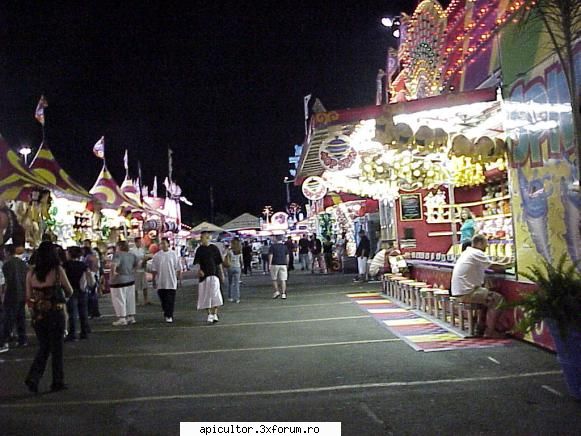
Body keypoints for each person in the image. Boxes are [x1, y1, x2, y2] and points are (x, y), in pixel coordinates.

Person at [25, 241, 74, 393]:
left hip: (39, 315)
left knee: (44, 347)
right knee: (57, 349)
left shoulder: (31, 273)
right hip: (55, 313)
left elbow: (28, 297)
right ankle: (57, 381)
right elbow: (69, 290)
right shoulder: (57, 270)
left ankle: (33, 377)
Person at [451, 234, 512, 338]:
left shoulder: (467, 252)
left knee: (486, 298)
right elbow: (494, 266)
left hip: (461, 291)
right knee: (498, 300)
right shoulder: (477, 253)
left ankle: (480, 328)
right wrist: (511, 265)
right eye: (486, 244)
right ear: (479, 243)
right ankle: (490, 332)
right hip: (468, 292)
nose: (487, 246)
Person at [194, 231, 224, 324]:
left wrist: (222, 273)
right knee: (205, 295)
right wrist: (199, 270)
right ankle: (209, 314)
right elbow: (197, 262)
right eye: (201, 237)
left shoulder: (214, 248)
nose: (201, 239)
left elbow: (219, 263)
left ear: (208, 238)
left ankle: (215, 313)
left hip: (214, 274)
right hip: (204, 276)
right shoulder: (199, 249)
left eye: (203, 237)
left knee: (215, 294)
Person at [64, 246, 93, 341]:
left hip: (70, 290)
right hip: (82, 290)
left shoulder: (65, 265)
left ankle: (72, 334)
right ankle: (84, 332)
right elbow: (89, 276)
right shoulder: (83, 265)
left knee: (72, 313)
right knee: (83, 311)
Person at [2, 245, 28, 348]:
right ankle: (22, 339)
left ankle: (4, 340)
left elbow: (6, 281)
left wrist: (3, 295)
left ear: (7, 252)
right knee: (20, 318)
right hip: (22, 293)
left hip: (11, 294)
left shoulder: (6, 265)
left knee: (8, 319)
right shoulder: (22, 264)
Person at [109, 240, 138, 326]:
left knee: (119, 299)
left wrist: (112, 275)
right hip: (130, 279)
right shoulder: (132, 255)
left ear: (119, 247)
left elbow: (114, 265)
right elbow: (137, 264)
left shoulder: (117, 255)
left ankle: (122, 318)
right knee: (130, 299)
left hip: (119, 280)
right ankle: (131, 316)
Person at [151, 238, 181, 323]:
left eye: (164, 243)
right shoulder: (157, 256)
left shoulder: (173, 254)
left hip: (171, 281)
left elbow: (178, 268)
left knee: (170, 299)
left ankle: (169, 315)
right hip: (161, 282)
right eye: (161, 244)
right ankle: (166, 312)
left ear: (168, 244)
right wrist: (153, 280)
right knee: (163, 299)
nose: (162, 245)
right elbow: (154, 269)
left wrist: (179, 279)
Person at [130, 237, 151, 305]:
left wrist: (145, 260)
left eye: (141, 242)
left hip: (142, 269)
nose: (140, 243)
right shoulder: (132, 251)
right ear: (136, 242)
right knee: (135, 287)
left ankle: (146, 299)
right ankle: (136, 300)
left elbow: (145, 257)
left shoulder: (142, 250)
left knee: (145, 285)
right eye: (139, 242)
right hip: (135, 270)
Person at [269, 235, 289, 299]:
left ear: (275, 239)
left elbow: (271, 255)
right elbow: (287, 256)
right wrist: (287, 264)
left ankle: (277, 291)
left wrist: (269, 264)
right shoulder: (285, 247)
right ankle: (283, 294)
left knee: (274, 279)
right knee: (283, 280)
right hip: (283, 264)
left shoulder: (272, 247)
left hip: (274, 264)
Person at [225, 238, 243, 303]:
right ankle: (237, 298)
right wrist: (242, 266)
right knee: (237, 283)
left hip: (230, 267)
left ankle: (230, 297)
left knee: (230, 283)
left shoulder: (229, 251)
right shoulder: (240, 251)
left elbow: (225, 257)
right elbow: (241, 261)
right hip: (238, 267)